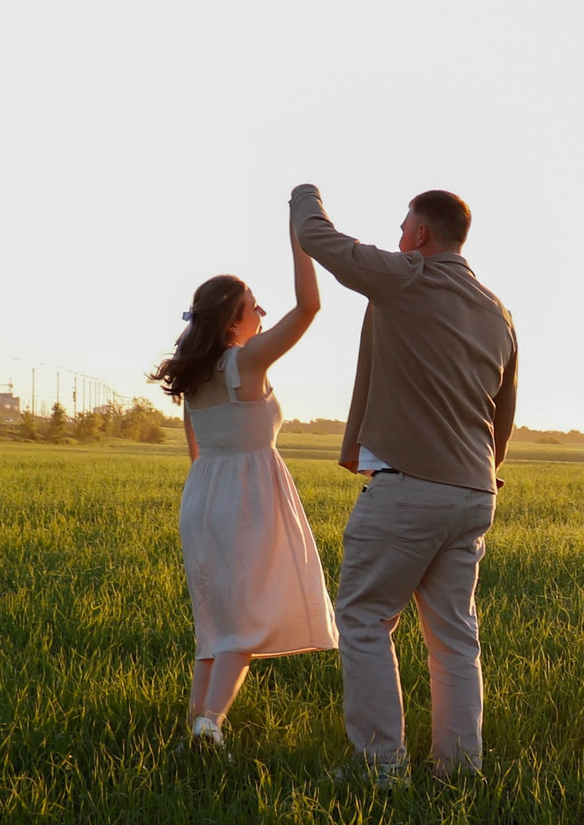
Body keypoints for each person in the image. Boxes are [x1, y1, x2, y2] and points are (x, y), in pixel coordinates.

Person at [290, 183, 518, 785]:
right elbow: (502, 415)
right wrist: (480, 473)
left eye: (401, 228)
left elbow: (317, 236)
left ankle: (380, 766)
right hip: (475, 491)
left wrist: (303, 193)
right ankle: (459, 770)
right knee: (454, 637)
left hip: (410, 487)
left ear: (419, 235)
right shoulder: (498, 311)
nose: (396, 239)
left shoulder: (407, 276)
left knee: (364, 618)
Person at [149, 231, 338, 748]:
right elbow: (310, 306)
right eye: (255, 307)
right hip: (246, 498)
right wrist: (302, 239)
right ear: (234, 321)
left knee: (215, 621)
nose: (262, 314)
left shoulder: (194, 377)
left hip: (203, 497)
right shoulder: (245, 361)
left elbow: (196, 452)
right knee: (245, 623)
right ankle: (210, 724)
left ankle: (197, 725)